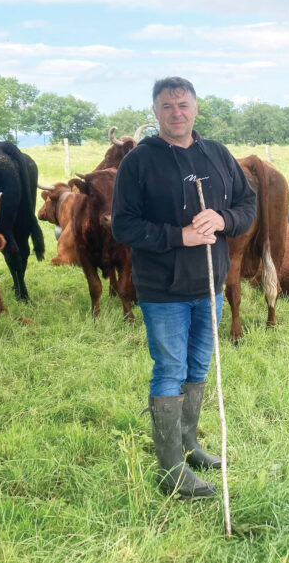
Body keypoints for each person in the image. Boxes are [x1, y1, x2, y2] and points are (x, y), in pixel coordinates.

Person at [111, 77, 256, 498]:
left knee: (198, 367)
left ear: (196, 108)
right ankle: (170, 470)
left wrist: (223, 220)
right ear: (155, 113)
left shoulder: (217, 154)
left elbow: (247, 207)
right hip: (163, 289)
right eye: (168, 105)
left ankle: (189, 445)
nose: (177, 112)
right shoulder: (139, 162)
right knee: (170, 369)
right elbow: (124, 225)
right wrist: (180, 236)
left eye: (183, 104)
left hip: (210, 282)